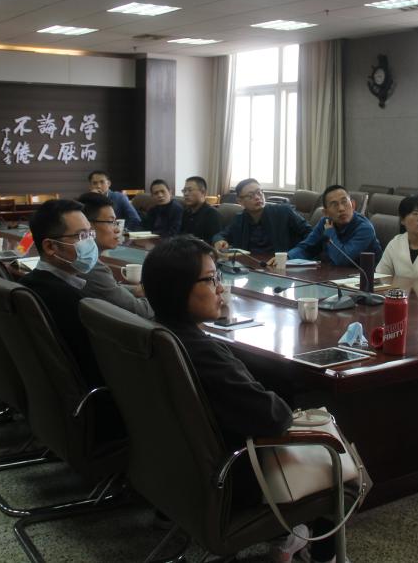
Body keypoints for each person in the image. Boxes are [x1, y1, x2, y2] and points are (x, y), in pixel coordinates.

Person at [142, 235, 341, 563]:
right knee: (334, 449)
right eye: (211, 279)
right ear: (177, 289)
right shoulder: (203, 353)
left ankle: (288, 536)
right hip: (235, 478)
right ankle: (316, 547)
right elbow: (274, 417)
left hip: (173, 472)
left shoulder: (155, 334)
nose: (220, 288)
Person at [18, 199, 104, 385]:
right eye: (81, 236)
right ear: (50, 247)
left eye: (90, 233)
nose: (90, 242)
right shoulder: (69, 301)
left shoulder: (27, 283)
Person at [76, 192, 154, 319]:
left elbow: (107, 287)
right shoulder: (91, 267)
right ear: (87, 226)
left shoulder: (79, 258)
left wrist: (134, 290)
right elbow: (141, 311)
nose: (117, 229)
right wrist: (164, 296)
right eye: (111, 222)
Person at [288, 184, 381, 268]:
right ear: (326, 213)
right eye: (334, 205)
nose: (341, 208)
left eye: (344, 202)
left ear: (353, 205)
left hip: (364, 278)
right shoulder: (325, 222)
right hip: (333, 274)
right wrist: (287, 257)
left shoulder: (365, 228)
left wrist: (330, 232)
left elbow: (342, 260)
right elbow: (306, 248)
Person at [212, 178, 310, 256]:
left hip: (280, 266)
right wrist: (219, 241)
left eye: (259, 192)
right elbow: (221, 235)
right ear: (240, 201)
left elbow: (309, 233)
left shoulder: (284, 212)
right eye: (250, 196)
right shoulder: (239, 219)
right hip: (249, 267)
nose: (257, 197)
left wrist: (294, 254)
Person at [180, 176, 221, 244]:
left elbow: (214, 243)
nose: (186, 194)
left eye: (190, 190)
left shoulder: (212, 215)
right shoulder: (186, 211)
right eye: (184, 191)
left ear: (203, 192)